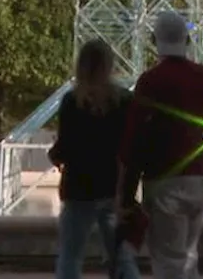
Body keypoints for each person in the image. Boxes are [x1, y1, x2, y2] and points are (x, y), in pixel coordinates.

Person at [118, 11, 203, 279]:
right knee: (188, 257)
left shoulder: (150, 80)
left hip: (164, 178)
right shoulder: (201, 75)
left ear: (154, 40)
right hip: (198, 176)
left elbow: (134, 138)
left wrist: (126, 194)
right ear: (187, 39)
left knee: (169, 261)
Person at [49, 39, 137, 279]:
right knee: (121, 257)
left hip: (78, 187)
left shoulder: (71, 102)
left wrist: (55, 155)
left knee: (70, 255)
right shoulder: (124, 101)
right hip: (112, 187)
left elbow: (65, 145)